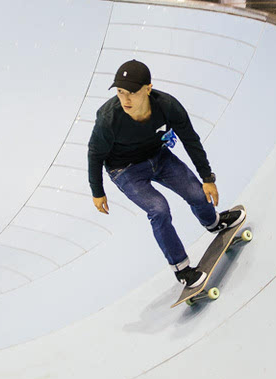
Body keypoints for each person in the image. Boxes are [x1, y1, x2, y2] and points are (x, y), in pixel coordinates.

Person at [88, 59, 245, 289]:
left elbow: (190, 139)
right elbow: (94, 154)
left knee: (196, 193)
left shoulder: (167, 106)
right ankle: (182, 269)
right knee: (159, 209)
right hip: (125, 170)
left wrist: (207, 178)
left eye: (131, 92)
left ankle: (214, 223)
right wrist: (97, 191)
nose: (125, 99)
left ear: (148, 88)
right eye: (120, 92)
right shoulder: (108, 120)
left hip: (158, 156)